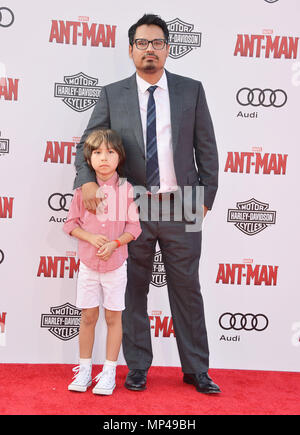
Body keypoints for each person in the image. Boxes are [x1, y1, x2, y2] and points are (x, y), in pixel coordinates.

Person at [73, 14, 220, 394]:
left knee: (187, 288)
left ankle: (197, 369)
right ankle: (137, 366)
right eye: (142, 43)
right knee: (133, 289)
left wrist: (205, 198)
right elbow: (85, 144)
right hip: (130, 206)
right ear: (130, 50)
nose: (149, 49)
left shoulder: (192, 90)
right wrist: (87, 181)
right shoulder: (113, 93)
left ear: (168, 48)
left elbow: (206, 147)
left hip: (183, 204)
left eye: (156, 42)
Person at [64, 128, 141, 395]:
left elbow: (134, 227)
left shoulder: (127, 189)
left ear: (120, 157)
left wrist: (115, 243)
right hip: (88, 264)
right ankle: (84, 369)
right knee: (87, 316)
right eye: (97, 153)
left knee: (113, 316)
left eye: (110, 152)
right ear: (88, 158)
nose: (103, 158)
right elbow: (70, 224)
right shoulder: (84, 191)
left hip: (116, 265)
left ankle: (108, 372)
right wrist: (89, 236)